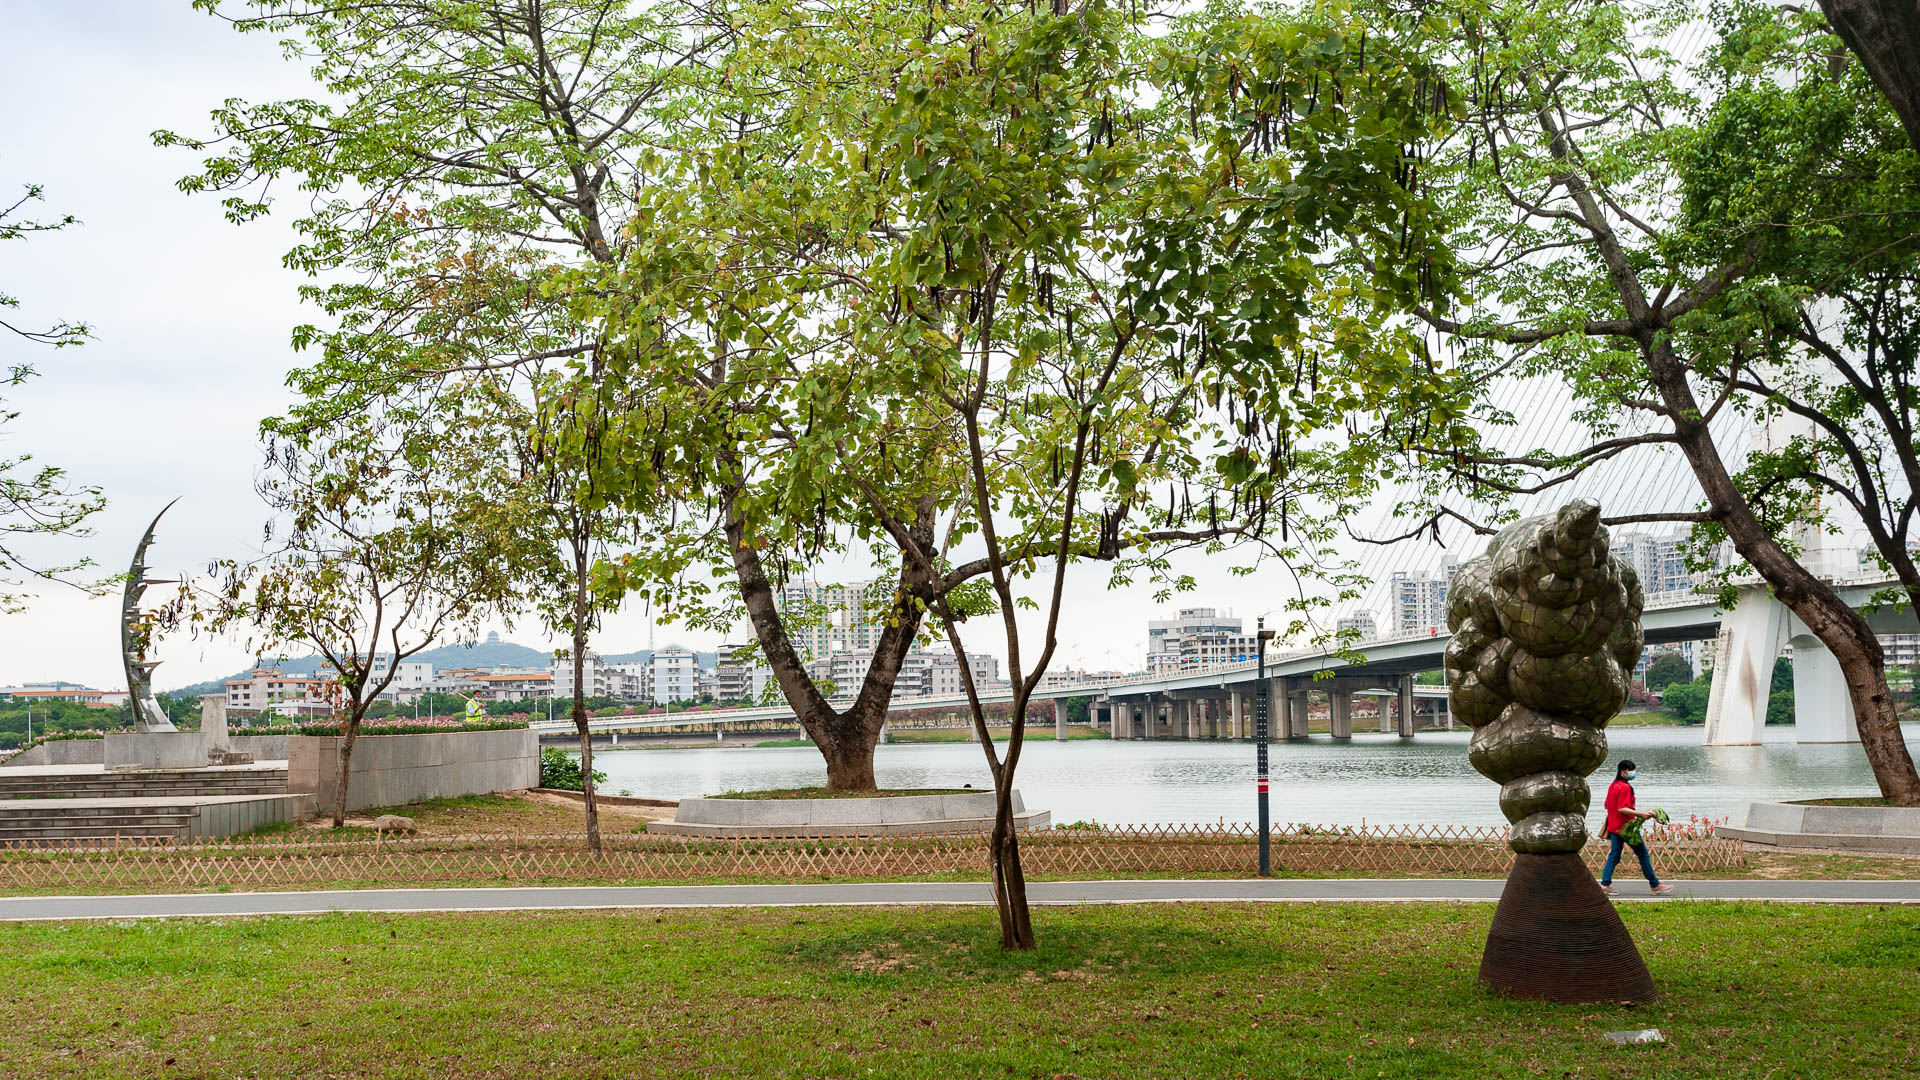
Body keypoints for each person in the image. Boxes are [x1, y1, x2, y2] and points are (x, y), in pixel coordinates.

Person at [1600, 759, 1674, 896]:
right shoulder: (1624, 787)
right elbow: (1622, 808)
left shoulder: (1613, 785)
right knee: (1643, 855)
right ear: (1623, 771)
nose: (1633, 773)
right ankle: (1655, 885)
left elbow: (1607, 805)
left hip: (1614, 827)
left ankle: (1605, 884)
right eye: (1631, 770)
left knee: (1614, 856)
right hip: (1626, 829)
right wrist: (1642, 814)